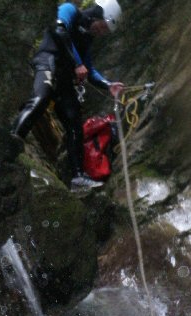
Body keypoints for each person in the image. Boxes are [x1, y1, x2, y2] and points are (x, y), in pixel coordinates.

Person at [10, 1, 124, 192]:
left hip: (63, 77)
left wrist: (108, 85)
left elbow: (88, 70)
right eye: (103, 27)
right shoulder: (70, 10)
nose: (101, 32)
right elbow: (58, 30)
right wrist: (77, 63)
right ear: (98, 15)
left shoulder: (87, 39)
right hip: (48, 62)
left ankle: (78, 178)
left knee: (74, 124)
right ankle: (11, 141)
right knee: (41, 98)